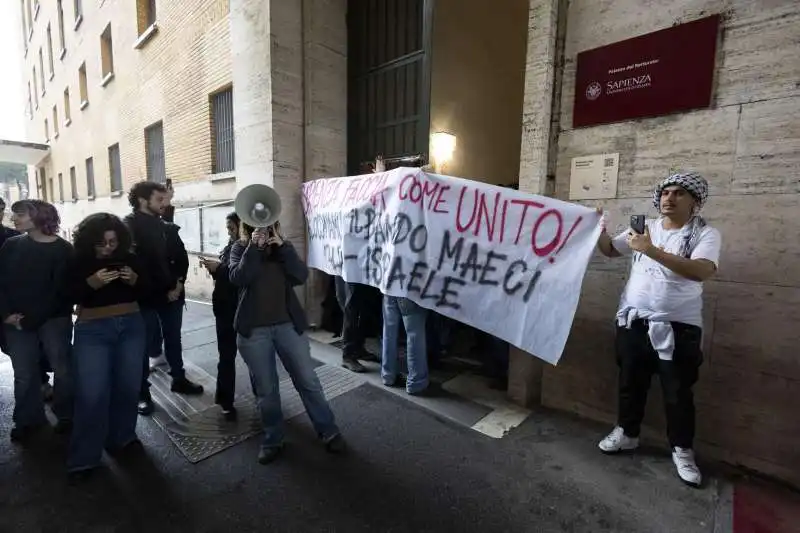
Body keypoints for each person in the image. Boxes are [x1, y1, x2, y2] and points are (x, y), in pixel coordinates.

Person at [596, 172, 720, 487]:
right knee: (630, 381)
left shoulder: (704, 234)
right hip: (633, 322)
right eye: (666, 192)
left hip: (679, 328)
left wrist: (650, 250)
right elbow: (611, 250)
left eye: (679, 193)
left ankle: (682, 451)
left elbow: (702, 270)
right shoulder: (645, 228)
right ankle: (627, 433)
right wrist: (597, 228)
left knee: (677, 392)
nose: (670, 198)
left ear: (695, 201)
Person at [229, 221, 345, 464]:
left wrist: (282, 248)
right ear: (248, 227)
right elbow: (239, 278)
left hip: (288, 327)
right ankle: (273, 438)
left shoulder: (283, 249)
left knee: (308, 380)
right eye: (257, 226)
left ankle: (329, 430)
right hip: (254, 333)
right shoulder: (240, 249)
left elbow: (300, 275)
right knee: (267, 389)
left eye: (269, 225)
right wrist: (254, 248)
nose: (263, 229)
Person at [67, 213, 148, 481]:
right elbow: (65, 295)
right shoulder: (79, 260)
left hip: (132, 325)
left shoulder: (130, 256)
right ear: (90, 241)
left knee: (128, 386)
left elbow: (150, 291)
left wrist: (134, 279)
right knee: (92, 393)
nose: (109, 248)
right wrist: (93, 282)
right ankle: (84, 457)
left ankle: (123, 437)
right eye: (102, 243)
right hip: (93, 329)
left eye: (113, 242)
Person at [124, 181, 202, 416]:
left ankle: (178, 378)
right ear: (142, 200)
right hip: (146, 297)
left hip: (173, 295)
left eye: (165, 200)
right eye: (159, 200)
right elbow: (138, 266)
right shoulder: (128, 227)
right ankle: (142, 393)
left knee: (174, 338)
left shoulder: (166, 226)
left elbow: (181, 258)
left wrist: (178, 283)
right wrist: (163, 290)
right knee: (142, 345)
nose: (164, 204)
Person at [0, 200, 74, 442]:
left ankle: (66, 414)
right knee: (24, 373)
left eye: (19, 214)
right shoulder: (11, 245)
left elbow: (61, 293)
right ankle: (27, 419)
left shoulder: (63, 249)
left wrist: (29, 320)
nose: (14, 219)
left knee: (62, 368)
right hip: (15, 321)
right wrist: (6, 314)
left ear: (39, 216)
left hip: (54, 319)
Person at [200, 211, 254, 420]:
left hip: (241, 309)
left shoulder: (250, 248)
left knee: (252, 357)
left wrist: (219, 269)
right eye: (228, 229)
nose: (229, 232)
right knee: (226, 357)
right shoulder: (232, 245)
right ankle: (225, 400)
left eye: (232, 228)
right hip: (224, 310)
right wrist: (215, 268)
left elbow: (239, 275)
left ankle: (263, 396)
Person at [381, 296, 429, 395]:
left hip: (388, 286)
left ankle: (388, 375)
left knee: (389, 330)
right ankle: (415, 383)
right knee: (414, 334)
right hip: (410, 290)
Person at [335, 277, 379, 373]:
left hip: (357, 270)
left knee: (362, 305)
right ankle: (348, 354)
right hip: (350, 269)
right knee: (352, 309)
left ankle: (358, 348)